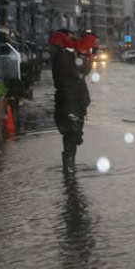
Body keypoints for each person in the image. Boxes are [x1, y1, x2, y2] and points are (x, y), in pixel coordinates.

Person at [50, 29, 97, 172]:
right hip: (71, 100)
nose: (73, 40)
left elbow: (81, 71)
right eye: (70, 38)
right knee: (72, 134)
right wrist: (85, 55)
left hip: (70, 100)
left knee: (70, 134)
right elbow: (81, 70)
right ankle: (69, 168)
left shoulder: (62, 56)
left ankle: (69, 166)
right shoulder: (65, 57)